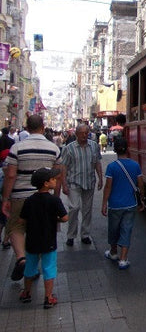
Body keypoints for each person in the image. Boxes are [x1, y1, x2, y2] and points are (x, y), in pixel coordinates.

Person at [1, 115, 62, 281]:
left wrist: (6, 198)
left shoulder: (17, 148)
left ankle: (21, 258)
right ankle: (34, 267)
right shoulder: (53, 148)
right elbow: (58, 175)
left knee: (15, 228)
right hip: (43, 197)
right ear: (43, 127)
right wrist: (56, 197)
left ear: (27, 128)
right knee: (40, 231)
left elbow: (11, 175)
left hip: (20, 195)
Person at [18, 167, 68, 308]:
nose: (55, 181)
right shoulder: (54, 201)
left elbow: (21, 220)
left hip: (32, 241)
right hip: (48, 241)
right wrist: (55, 220)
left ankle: (26, 293)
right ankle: (48, 297)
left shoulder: (29, 200)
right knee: (49, 268)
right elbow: (65, 218)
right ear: (46, 183)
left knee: (30, 267)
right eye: (53, 179)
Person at [102, 137, 144, 270]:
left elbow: (108, 187)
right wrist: (141, 199)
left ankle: (113, 252)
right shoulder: (135, 165)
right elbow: (140, 184)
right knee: (126, 229)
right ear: (128, 149)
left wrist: (104, 203)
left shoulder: (111, 167)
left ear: (114, 150)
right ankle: (123, 259)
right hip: (130, 204)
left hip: (114, 205)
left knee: (114, 229)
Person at [61, 123, 103, 246]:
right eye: (82, 133)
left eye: (87, 133)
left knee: (87, 210)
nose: (85, 135)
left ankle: (85, 234)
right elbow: (64, 167)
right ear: (77, 134)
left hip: (89, 182)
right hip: (74, 182)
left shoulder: (94, 146)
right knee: (74, 208)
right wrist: (64, 183)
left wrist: (100, 178)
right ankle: (71, 235)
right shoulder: (69, 148)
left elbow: (97, 163)